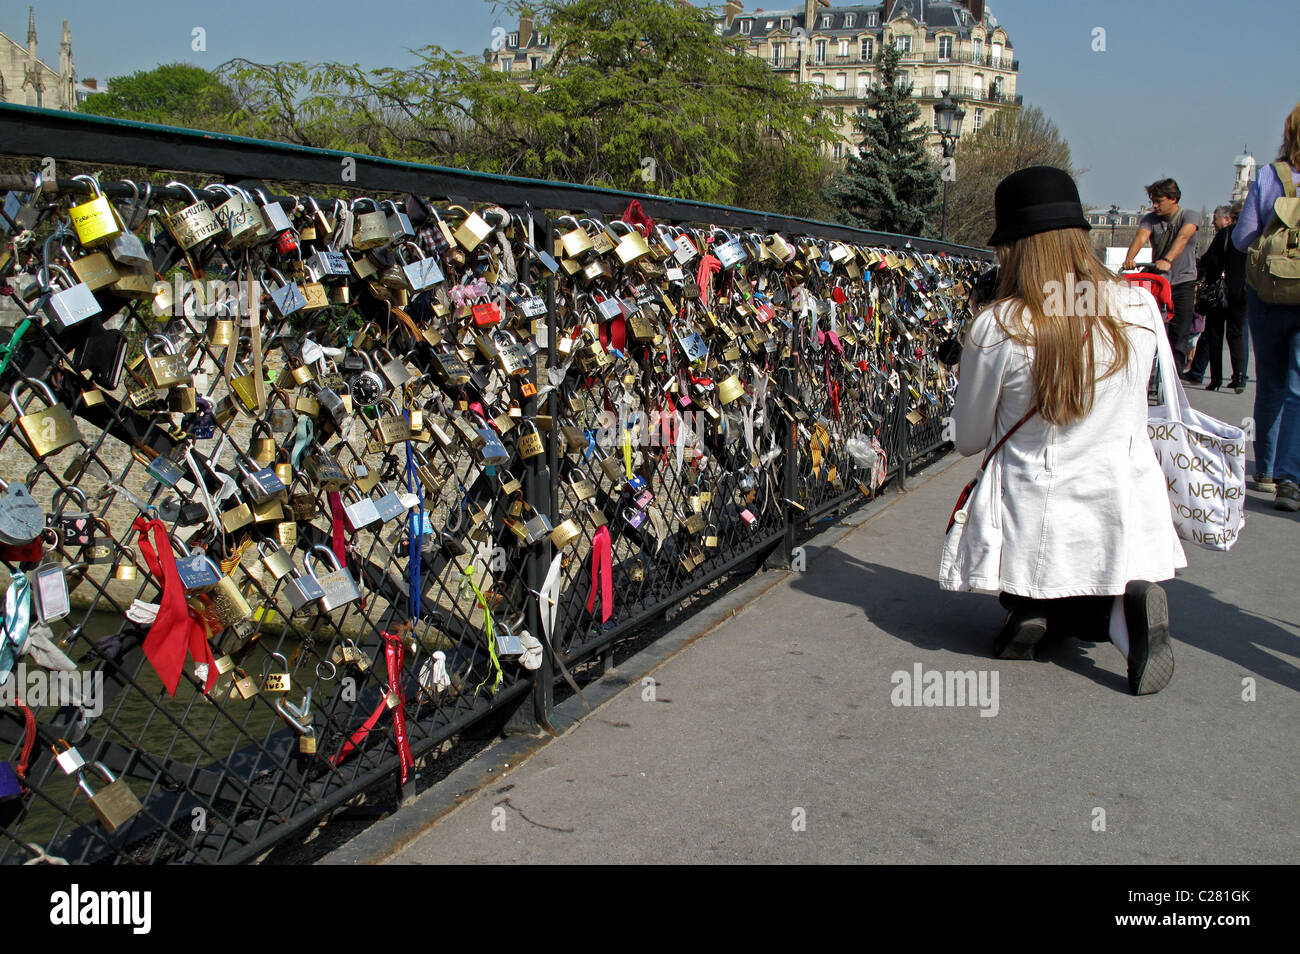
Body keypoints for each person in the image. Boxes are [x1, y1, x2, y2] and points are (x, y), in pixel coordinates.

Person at [941, 166, 1185, 695]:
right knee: (1100, 552)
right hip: (1121, 497)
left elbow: (970, 440)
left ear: (1015, 248)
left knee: (1025, 508)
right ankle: (1125, 620)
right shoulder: (1140, 306)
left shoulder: (1001, 324)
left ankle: (1031, 608)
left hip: (1038, 510)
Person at [1232, 102, 1300, 511]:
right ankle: (1292, 479)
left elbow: (1242, 239)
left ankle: (1266, 470)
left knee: (1271, 379)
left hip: (1269, 290)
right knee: (1298, 385)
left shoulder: (1269, 176)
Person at [1122, 179, 1200, 372]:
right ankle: (1148, 372)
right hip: (1159, 282)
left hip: (1183, 282)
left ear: (1173, 199)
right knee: (1150, 327)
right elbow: (1141, 237)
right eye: (1153, 201)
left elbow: (1183, 237)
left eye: (1159, 201)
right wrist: (1129, 259)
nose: (1154, 205)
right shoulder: (1150, 219)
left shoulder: (1189, 216)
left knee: (1179, 334)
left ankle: (1175, 379)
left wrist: (1167, 259)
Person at [1188, 203, 1248, 392]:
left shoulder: (1226, 235)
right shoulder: (1250, 237)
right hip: (1242, 292)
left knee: (1215, 335)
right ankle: (1239, 377)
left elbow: (1210, 261)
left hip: (1220, 292)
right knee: (1236, 335)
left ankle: (1216, 379)